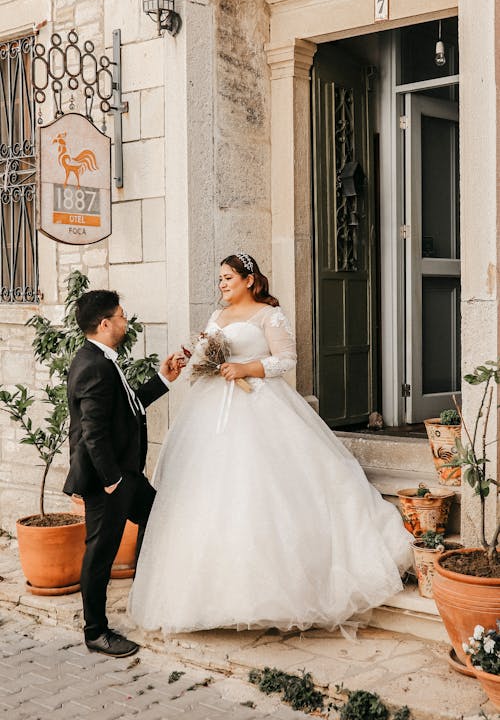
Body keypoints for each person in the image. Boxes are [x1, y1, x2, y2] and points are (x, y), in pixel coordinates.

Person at [129, 254, 412, 634]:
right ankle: (212, 596)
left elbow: (287, 360)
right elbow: (206, 356)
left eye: (228, 277)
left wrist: (248, 368)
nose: (222, 284)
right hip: (212, 414)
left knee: (264, 489)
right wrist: (190, 359)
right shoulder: (218, 317)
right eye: (220, 278)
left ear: (249, 279)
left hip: (260, 407)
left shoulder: (268, 315)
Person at [64, 289, 182, 657]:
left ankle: (153, 592)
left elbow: (127, 407)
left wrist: (164, 379)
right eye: (120, 315)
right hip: (109, 480)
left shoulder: (102, 360)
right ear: (105, 324)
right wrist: (112, 480)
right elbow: (92, 432)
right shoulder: (94, 366)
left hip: (125, 475)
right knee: (100, 553)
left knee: (161, 519)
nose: (125, 321)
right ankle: (95, 632)